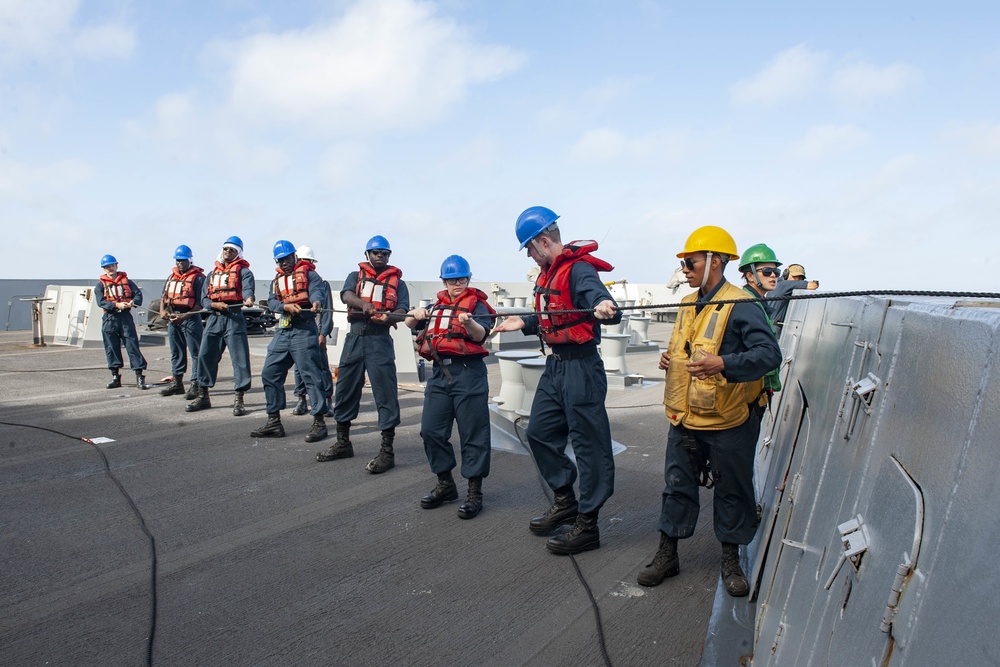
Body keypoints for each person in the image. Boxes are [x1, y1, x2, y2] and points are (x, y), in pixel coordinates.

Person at [636, 225, 781, 597]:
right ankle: (668, 554)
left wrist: (724, 363)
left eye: (691, 261)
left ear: (715, 262)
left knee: (732, 489)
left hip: (728, 419)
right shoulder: (687, 302)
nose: (684, 268)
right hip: (685, 417)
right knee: (677, 487)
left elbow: (769, 355)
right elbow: (686, 346)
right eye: (684, 262)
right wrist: (671, 358)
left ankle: (731, 560)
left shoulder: (742, 304)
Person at [492, 206, 621, 555]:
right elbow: (553, 316)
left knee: (588, 444)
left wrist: (605, 308)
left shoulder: (578, 270)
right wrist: (524, 323)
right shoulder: (550, 274)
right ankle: (565, 500)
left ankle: (588, 524)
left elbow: (601, 302)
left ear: (543, 242)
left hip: (581, 368)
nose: (531, 257)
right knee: (539, 433)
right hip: (556, 368)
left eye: (530, 250)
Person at [405, 255, 495, 519]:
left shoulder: (477, 305)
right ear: (444, 280)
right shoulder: (436, 306)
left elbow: (480, 335)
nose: (458, 283)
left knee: (473, 435)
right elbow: (411, 325)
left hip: (469, 373)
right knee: (430, 431)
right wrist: (415, 314)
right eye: (452, 279)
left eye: (462, 278)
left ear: (468, 279)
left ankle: (474, 493)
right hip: (439, 375)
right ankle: (446, 484)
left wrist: (469, 322)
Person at [316, 235, 410, 474]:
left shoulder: (398, 283)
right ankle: (343, 442)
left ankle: (387, 451)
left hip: (380, 341)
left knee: (385, 393)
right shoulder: (354, 276)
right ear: (367, 254)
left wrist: (389, 316)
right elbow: (346, 295)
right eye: (376, 252)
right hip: (355, 337)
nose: (380, 256)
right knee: (346, 387)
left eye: (385, 253)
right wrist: (364, 305)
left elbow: (403, 311)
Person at [250, 241, 330, 443]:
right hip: (284, 331)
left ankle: (319, 422)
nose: (284, 263)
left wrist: (316, 303)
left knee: (311, 376)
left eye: (287, 258)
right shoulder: (277, 280)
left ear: (295, 256)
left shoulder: (311, 275)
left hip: (304, 329)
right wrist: (286, 306)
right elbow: (273, 301)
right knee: (270, 372)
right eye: (280, 260)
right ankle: (274, 421)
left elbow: (317, 293)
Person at [186, 235, 256, 416]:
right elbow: (204, 298)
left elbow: (248, 290)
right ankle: (203, 396)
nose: (228, 252)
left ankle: (239, 399)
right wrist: (213, 305)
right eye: (226, 249)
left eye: (232, 250)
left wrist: (248, 299)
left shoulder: (244, 272)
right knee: (205, 356)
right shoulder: (212, 274)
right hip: (214, 318)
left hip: (234, 318)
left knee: (239, 359)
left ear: (238, 253)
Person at [290, 245, 334, 418]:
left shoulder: (321, 283)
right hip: (298, 331)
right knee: (298, 368)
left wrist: (323, 333)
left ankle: (328, 399)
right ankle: (301, 398)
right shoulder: (290, 282)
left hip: (315, 331)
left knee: (322, 366)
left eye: (306, 262)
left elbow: (327, 310)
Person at [159, 244, 206, 399]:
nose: (180, 263)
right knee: (176, 351)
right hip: (174, 319)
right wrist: (163, 311)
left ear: (190, 260)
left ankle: (196, 384)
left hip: (191, 319)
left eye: (183, 260)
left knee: (196, 353)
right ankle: (177, 383)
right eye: (178, 260)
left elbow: (200, 303)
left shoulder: (198, 278)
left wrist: (185, 316)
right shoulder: (171, 277)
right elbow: (164, 297)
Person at [95, 254, 149, 390]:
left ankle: (139, 375)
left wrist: (133, 303)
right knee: (111, 347)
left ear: (116, 266)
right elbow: (101, 301)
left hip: (125, 318)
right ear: (104, 269)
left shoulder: (128, 282)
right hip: (110, 318)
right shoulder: (100, 285)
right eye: (107, 267)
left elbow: (137, 294)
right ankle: (115, 376)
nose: (110, 268)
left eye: (112, 265)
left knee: (132, 345)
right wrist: (115, 305)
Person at [738, 243, 783, 400]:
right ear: (750, 276)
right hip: (749, 392)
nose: (773, 276)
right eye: (767, 271)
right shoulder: (746, 303)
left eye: (776, 272)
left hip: (760, 389)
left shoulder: (758, 302)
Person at [766, 262, 819, 331]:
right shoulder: (785, 284)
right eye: (795, 276)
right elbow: (813, 285)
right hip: (775, 328)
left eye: (801, 278)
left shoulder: (777, 284)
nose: (797, 280)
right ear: (786, 274)